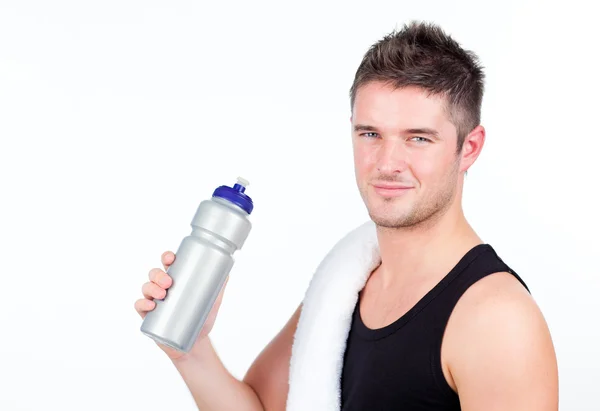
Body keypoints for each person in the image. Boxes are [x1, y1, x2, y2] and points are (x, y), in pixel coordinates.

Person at [135, 20, 559, 410]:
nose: (388, 162)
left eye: (418, 138)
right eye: (371, 134)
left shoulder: (497, 322)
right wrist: (191, 347)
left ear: (469, 147)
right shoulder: (344, 285)